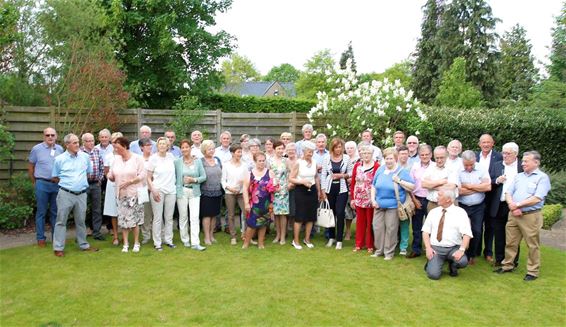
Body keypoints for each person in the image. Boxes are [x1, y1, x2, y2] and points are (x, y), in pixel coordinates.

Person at [496, 151, 551, 281]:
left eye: (526, 161)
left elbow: (537, 198)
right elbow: (508, 192)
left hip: (530, 216)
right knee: (510, 242)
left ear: (536, 162)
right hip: (514, 214)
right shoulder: (519, 176)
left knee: (532, 244)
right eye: (523, 161)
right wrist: (512, 206)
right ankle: (508, 265)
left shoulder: (542, 178)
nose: (523, 163)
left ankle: (532, 271)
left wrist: (517, 205)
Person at [51, 134, 98, 256]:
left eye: (78, 142)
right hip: (65, 194)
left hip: (81, 194)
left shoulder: (85, 157)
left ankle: (83, 245)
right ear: (67, 145)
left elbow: (88, 174)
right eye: (74, 143)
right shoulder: (59, 159)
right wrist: (69, 184)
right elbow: (55, 177)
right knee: (61, 221)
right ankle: (58, 248)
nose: (77, 145)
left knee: (81, 221)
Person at [370, 148, 414, 260]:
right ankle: (379, 251)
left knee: (391, 229)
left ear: (395, 159)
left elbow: (412, 186)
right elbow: (373, 186)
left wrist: (399, 181)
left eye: (391, 158)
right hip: (379, 205)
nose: (388, 161)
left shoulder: (401, 171)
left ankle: (388, 253)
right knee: (377, 227)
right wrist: (373, 200)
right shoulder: (380, 169)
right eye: (386, 158)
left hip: (393, 206)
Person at [422, 188, 472, 280]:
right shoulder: (433, 212)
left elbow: (467, 234)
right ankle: (431, 262)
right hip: (436, 248)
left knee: (462, 261)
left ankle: (453, 266)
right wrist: (428, 248)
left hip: (453, 248)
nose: (437, 197)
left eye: (440, 195)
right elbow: (425, 232)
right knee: (433, 275)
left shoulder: (460, 213)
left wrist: (461, 250)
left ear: (448, 199)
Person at [107, 137, 145, 253]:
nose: (116, 150)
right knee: (123, 220)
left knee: (134, 220)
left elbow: (143, 174)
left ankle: (136, 243)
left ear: (125, 146)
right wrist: (110, 176)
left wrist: (130, 182)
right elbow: (112, 174)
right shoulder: (116, 160)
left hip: (134, 194)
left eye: (118, 148)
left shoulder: (137, 159)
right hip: (121, 194)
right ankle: (125, 244)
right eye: (115, 148)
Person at [28, 127, 64, 247]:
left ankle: (56, 239)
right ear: (44, 136)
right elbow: (31, 167)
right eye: (47, 135)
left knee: (55, 212)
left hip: (56, 185)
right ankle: (40, 239)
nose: (50, 137)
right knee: (41, 212)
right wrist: (35, 182)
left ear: (56, 136)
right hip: (42, 184)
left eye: (52, 135)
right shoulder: (36, 149)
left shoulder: (60, 149)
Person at [489, 142, 522, 267]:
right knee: (499, 233)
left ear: (516, 154)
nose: (505, 156)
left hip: (514, 205)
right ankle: (499, 259)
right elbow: (489, 182)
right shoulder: (497, 165)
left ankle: (513, 260)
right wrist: (497, 180)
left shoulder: (521, 167)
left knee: (513, 235)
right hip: (499, 204)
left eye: (508, 153)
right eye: (504, 153)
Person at [457, 150, 491, 265]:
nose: (469, 167)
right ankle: (460, 253)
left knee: (476, 230)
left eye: (471, 164)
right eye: (466, 165)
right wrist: (477, 188)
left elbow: (487, 187)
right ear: (462, 162)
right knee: (460, 230)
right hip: (462, 205)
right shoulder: (457, 170)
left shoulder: (481, 169)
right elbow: (458, 191)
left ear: (475, 160)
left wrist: (469, 186)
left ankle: (471, 254)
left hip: (478, 206)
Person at [321, 137, 353, 250]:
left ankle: (339, 240)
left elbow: (350, 173)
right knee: (331, 213)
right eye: (336, 147)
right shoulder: (326, 158)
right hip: (330, 189)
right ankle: (331, 237)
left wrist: (342, 176)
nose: (338, 149)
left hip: (342, 189)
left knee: (340, 213)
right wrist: (323, 190)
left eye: (340, 147)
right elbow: (323, 174)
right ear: (332, 148)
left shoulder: (347, 158)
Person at [289, 141, 322, 250]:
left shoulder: (314, 162)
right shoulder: (298, 163)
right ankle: (296, 240)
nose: (310, 154)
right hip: (300, 190)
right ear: (303, 151)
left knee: (311, 217)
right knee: (300, 216)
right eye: (308, 152)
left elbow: (316, 177)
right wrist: (302, 181)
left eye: (312, 152)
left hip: (312, 190)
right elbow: (291, 178)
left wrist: (318, 190)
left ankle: (307, 239)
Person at [175, 139, 207, 251]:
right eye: (182, 147)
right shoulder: (177, 162)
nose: (184, 149)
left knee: (194, 217)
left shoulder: (197, 161)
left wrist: (194, 179)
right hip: (182, 191)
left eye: (186, 147)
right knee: (183, 217)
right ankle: (185, 240)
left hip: (194, 192)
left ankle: (195, 242)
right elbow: (174, 177)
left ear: (190, 148)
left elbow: (203, 177)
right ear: (180, 149)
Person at [476, 134, 503, 262]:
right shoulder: (475, 157)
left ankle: (488, 252)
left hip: (492, 196)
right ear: (479, 144)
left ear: (493, 143)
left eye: (488, 142)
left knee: (490, 225)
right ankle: (475, 251)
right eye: (483, 142)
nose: (486, 144)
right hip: (476, 195)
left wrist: (491, 182)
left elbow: (501, 176)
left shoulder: (499, 157)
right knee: (477, 225)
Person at [147, 137, 177, 251]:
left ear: (168, 146)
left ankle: (168, 240)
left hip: (171, 191)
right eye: (160, 144)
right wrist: (153, 189)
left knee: (169, 218)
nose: (162, 146)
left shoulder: (171, 157)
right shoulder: (153, 158)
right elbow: (148, 177)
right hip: (158, 191)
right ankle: (157, 243)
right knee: (158, 218)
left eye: (165, 144)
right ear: (157, 146)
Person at [242, 151, 275, 249]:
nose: (262, 162)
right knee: (251, 224)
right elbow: (244, 188)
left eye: (263, 161)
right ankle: (246, 243)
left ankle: (261, 243)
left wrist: (272, 202)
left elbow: (274, 187)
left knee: (263, 223)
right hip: (254, 203)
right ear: (255, 161)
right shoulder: (249, 173)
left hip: (266, 203)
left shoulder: (270, 172)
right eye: (259, 161)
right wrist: (246, 203)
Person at [350, 145, 379, 252]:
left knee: (370, 222)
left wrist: (375, 199)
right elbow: (353, 182)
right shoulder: (357, 166)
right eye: (364, 153)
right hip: (358, 198)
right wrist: (352, 198)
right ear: (361, 154)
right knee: (360, 222)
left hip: (371, 198)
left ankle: (370, 245)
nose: (366, 155)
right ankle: (359, 244)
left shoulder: (377, 166)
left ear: (372, 154)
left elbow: (377, 184)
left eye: (368, 153)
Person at [407, 144, 433, 258]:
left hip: (431, 199)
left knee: (432, 226)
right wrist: (414, 200)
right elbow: (410, 185)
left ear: (431, 155)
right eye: (422, 155)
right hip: (417, 198)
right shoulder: (415, 166)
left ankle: (432, 249)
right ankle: (416, 249)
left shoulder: (435, 166)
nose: (424, 156)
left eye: (427, 154)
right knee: (416, 226)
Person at [80, 133, 105, 240]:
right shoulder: (79, 152)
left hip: (95, 184)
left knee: (97, 209)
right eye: (88, 141)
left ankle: (97, 232)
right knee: (81, 209)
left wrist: (99, 180)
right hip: (83, 185)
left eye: (92, 141)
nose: (91, 143)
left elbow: (102, 167)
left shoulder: (97, 151)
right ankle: (81, 233)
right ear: (83, 142)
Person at [222, 144, 248, 245]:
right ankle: (233, 236)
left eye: (240, 152)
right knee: (231, 215)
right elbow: (223, 180)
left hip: (242, 193)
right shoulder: (226, 165)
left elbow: (247, 179)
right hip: (230, 193)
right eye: (238, 152)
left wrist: (242, 184)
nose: (240, 154)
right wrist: (230, 188)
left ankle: (245, 234)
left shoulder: (244, 165)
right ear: (232, 153)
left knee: (246, 213)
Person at [200, 140, 223, 245]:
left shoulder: (217, 160)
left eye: (213, 148)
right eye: (209, 149)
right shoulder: (200, 161)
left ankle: (212, 235)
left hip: (217, 191)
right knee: (207, 215)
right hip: (206, 192)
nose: (211, 150)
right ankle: (206, 237)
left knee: (214, 215)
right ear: (204, 150)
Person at [421, 146, 458, 212]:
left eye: (441, 158)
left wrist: (431, 185)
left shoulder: (453, 168)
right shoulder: (430, 168)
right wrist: (441, 182)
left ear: (446, 156)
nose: (439, 160)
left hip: (449, 205)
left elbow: (451, 187)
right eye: (437, 158)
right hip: (433, 204)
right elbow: (423, 184)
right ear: (434, 157)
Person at [103, 132, 123, 245]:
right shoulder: (108, 156)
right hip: (112, 186)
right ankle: (115, 236)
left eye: (119, 141)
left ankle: (125, 235)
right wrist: (111, 177)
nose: (116, 143)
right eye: (114, 141)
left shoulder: (126, 155)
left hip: (125, 186)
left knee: (125, 210)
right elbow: (106, 172)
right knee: (113, 211)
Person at [270, 140, 291, 245]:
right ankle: (277, 235)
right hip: (274, 190)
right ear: (274, 149)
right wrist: (272, 187)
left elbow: (290, 173)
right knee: (276, 214)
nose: (280, 150)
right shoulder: (270, 161)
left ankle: (283, 236)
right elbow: (269, 175)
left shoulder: (286, 160)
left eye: (282, 148)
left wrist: (288, 184)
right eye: (278, 148)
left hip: (283, 190)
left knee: (283, 214)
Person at [138, 138, 154, 245]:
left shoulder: (155, 158)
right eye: (147, 145)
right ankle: (146, 236)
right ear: (141, 147)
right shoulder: (138, 160)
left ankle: (158, 235)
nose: (149, 147)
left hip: (155, 189)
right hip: (143, 190)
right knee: (145, 214)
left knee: (157, 214)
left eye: (150, 145)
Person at [344, 140, 360, 239]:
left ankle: (360, 232)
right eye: (348, 148)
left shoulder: (359, 160)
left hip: (357, 188)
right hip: (345, 188)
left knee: (359, 211)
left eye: (352, 148)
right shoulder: (344, 159)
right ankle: (348, 232)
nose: (350, 150)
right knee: (347, 211)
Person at [285, 143, 299, 230]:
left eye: (292, 150)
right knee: (286, 209)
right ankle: (285, 229)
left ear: (296, 151)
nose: (291, 151)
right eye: (289, 150)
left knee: (294, 209)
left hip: (297, 187)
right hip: (286, 187)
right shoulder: (284, 160)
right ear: (286, 151)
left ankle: (295, 229)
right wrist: (287, 185)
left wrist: (293, 184)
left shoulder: (299, 161)